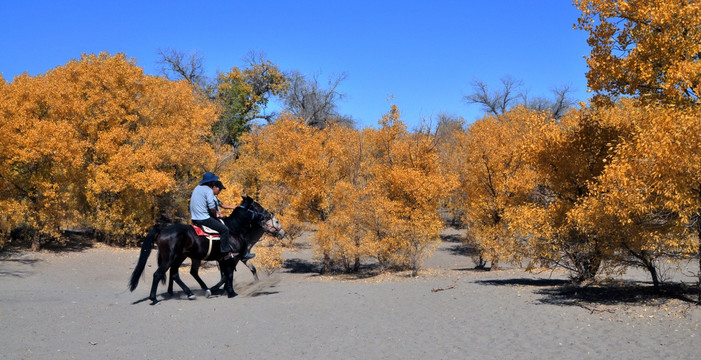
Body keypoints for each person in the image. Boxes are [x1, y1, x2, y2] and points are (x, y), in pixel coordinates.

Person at [190, 172, 236, 261]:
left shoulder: (197, 188)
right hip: (203, 218)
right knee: (225, 229)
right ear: (210, 182)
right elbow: (212, 207)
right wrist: (216, 214)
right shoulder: (208, 190)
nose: (214, 183)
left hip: (194, 218)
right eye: (214, 182)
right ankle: (225, 253)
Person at [212, 181, 255, 260]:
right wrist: (218, 213)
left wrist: (234, 207)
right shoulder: (209, 196)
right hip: (215, 217)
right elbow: (211, 208)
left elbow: (222, 205)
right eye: (220, 189)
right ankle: (226, 251)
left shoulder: (214, 197)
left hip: (219, 217)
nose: (220, 191)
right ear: (215, 187)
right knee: (228, 230)